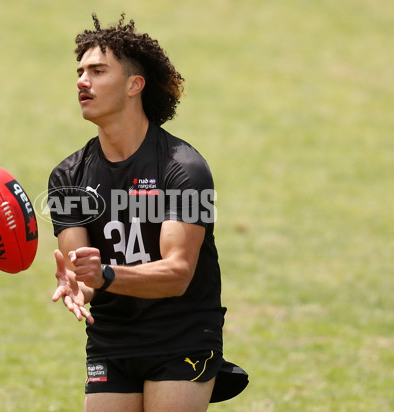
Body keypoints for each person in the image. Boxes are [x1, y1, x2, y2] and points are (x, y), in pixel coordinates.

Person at [48, 13, 248, 412]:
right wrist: (78, 285)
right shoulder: (68, 177)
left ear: (134, 85)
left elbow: (177, 275)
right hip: (113, 337)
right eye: (80, 71)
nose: (82, 81)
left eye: (98, 71)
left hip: (182, 335)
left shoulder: (183, 168)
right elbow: (82, 273)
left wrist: (105, 274)